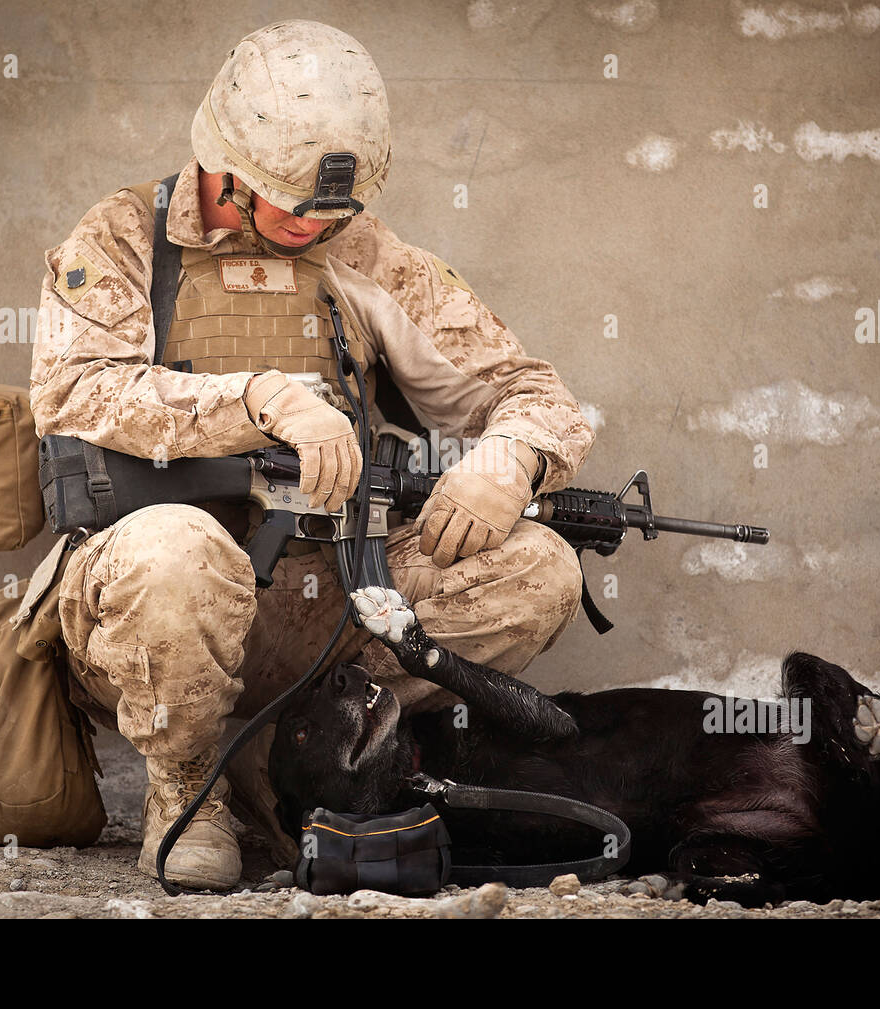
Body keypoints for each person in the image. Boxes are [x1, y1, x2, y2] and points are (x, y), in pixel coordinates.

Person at [29, 19, 595, 891]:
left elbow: (528, 388)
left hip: (322, 603)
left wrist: (510, 457)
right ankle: (187, 786)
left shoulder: (361, 254)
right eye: (300, 207)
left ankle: (286, 751)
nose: (320, 226)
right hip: (146, 605)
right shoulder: (122, 239)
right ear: (226, 169)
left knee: (539, 571)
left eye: (340, 209)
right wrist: (257, 400)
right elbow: (72, 392)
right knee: (179, 548)